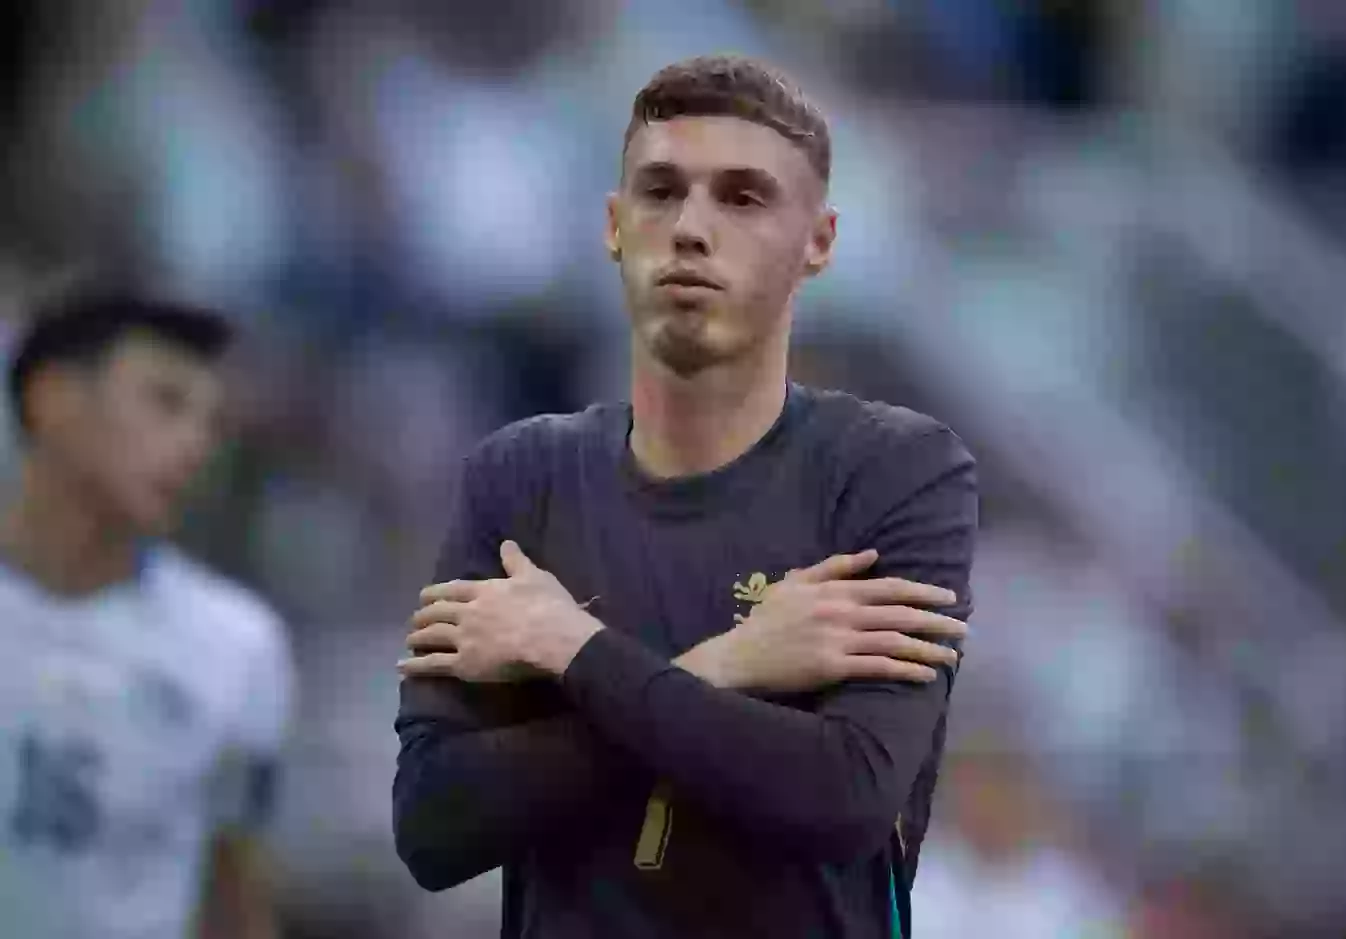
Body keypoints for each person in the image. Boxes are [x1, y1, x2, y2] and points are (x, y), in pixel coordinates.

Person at [393, 54, 978, 939]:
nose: (692, 228)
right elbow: (433, 824)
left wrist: (573, 651)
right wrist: (726, 665)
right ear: (614, 225)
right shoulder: (519, 478)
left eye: (743, 198)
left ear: (818, 241)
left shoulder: (896, 471)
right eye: (661, 191)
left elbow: (846, 795)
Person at [0, 293, 293, 939]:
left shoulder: (236, 646)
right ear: (52, 398)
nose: (196, 445)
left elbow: (235, 903)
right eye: (166, 402)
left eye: (211, 423)